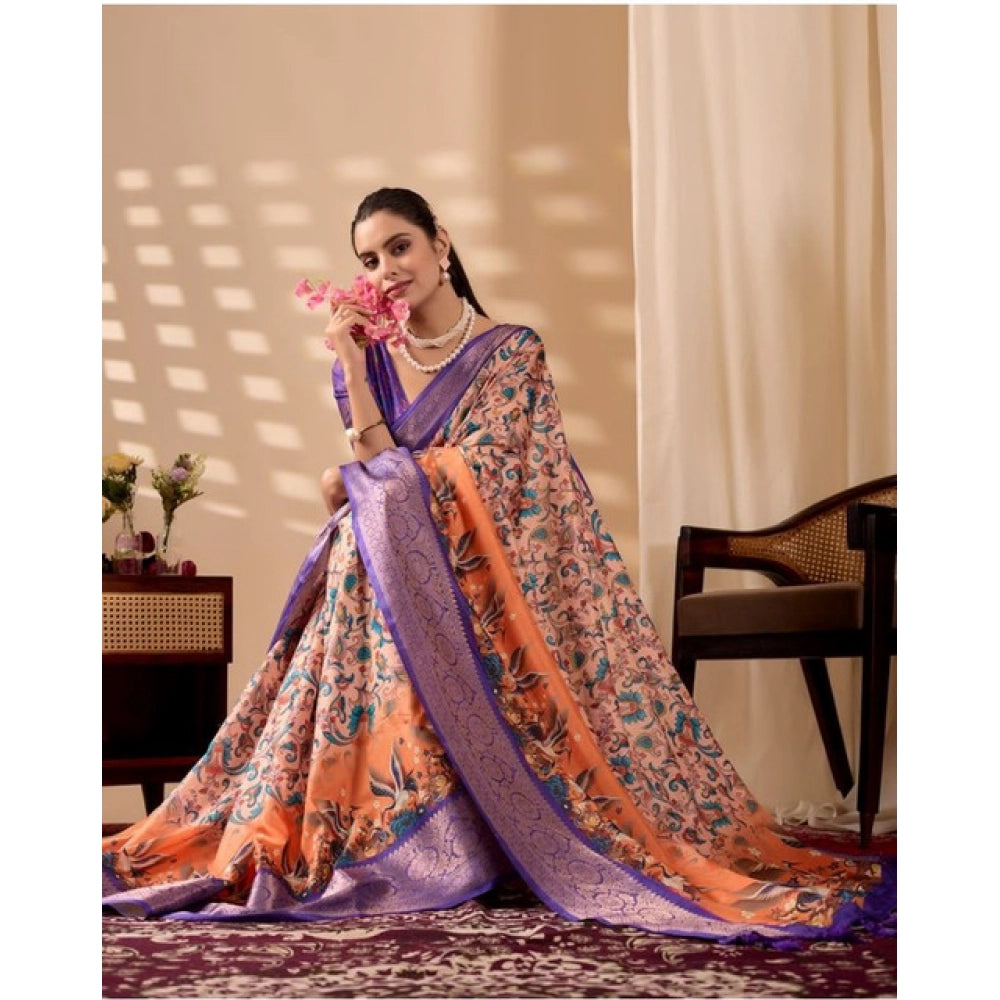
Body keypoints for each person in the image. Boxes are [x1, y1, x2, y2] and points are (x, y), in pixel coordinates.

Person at [102, 188, 894, 942]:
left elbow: (491, 478)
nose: (386, 270)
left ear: (440, 243)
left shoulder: (513, 353)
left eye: (400, 247)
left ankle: (476, 828)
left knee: (366, 520)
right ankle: (382, 826)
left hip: (488, 571)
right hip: (393, 574)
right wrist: (350, 368)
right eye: (369, 259)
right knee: (360, 541)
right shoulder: (367, 362)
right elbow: (380, 475)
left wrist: (351, 482)